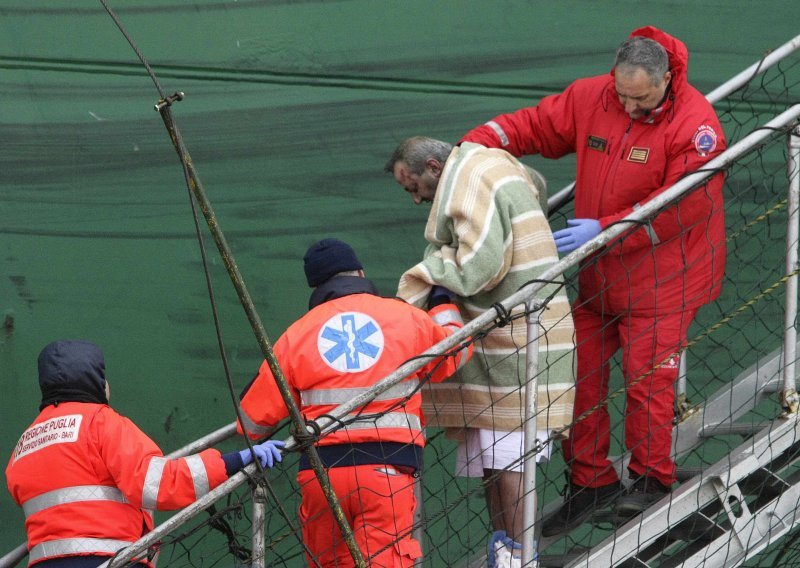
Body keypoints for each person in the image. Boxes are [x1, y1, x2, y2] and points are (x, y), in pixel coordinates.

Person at [459, 26, 727, 535]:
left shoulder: (697, 126)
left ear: (667, 80)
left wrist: (607, 228)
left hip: (665, 280)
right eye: (621, 95)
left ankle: (652, 481)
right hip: (600, 276)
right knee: (576, 374)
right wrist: (475, 147)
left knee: (649, 380)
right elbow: (535, 126)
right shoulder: (593, 96)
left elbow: (686, 206)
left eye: (640, 99)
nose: (627, 107)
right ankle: (591, 481)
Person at [385, 137, 576, 547]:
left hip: (514, 348)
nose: (416, 200)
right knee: (498, 459)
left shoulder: (471, 181)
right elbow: (538, 185)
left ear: (434, 167)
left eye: (413, 187)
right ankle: (505, 549)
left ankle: (518, 555)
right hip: (524, 337)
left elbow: (479, 267)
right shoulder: (492, 164)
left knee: (509, 460)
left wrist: (427, 274)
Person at [237, 238, 472, 568]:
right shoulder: (405, 317)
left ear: (316, 287)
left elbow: (250, 424)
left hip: (322, 477)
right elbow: (456, 351)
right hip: (387, 472)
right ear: (360, 273)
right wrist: (442, 303)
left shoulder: (296, 335)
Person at [5, 339, 284, 568]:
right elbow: (159, 483)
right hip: (109, 560)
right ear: (97, 380)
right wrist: (235, 460)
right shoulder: (102, 423)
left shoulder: (25, 443)